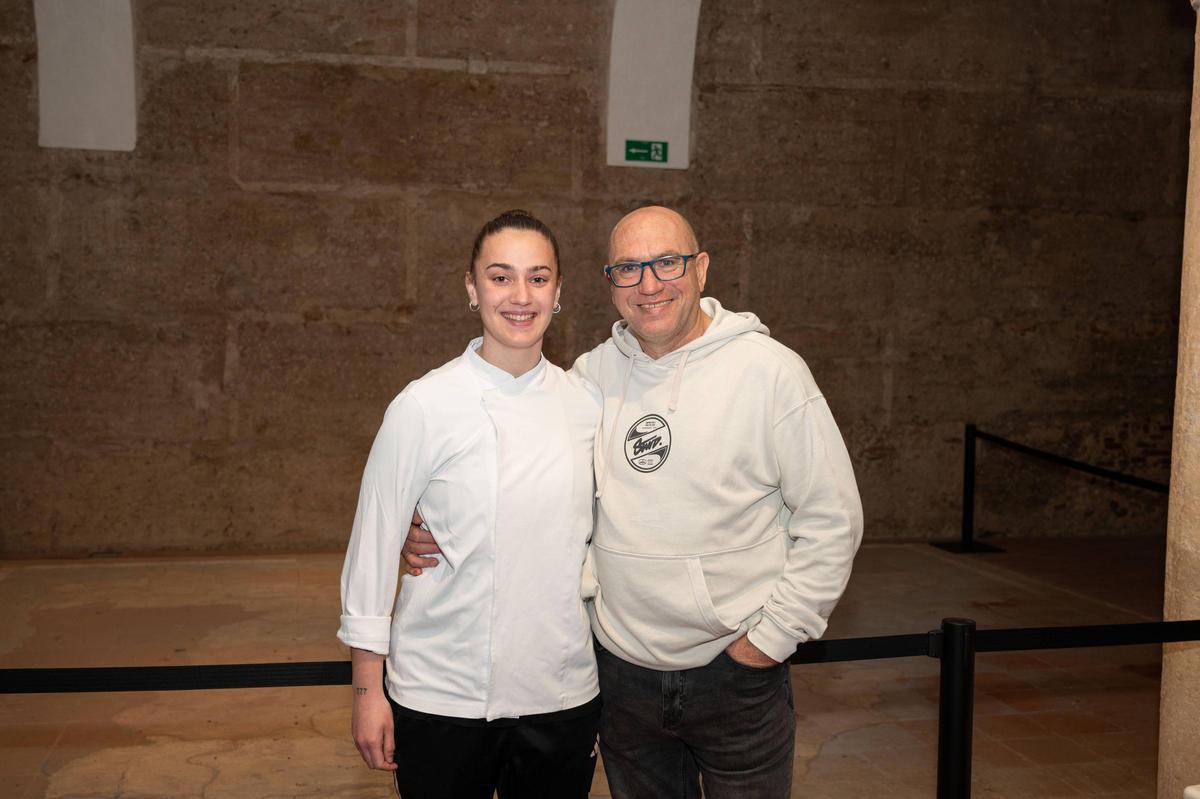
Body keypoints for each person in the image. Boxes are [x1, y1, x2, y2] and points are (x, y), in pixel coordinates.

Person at [404, 205, 864, 798]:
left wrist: (768, 643)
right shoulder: (590, 378)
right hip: (623, 681)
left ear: (701, 268)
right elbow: (528, 478)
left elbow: (832, 521)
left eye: (667, 263)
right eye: (628, 268)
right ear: (609, 282)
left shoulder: (771, 373)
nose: (649, 284)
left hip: (737, 678)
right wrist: (430, 522)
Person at [337, 209, 602, 799]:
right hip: (440, 696)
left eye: (538, 278)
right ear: (471, 287)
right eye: (500, 276)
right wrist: (367, 691)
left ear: (558, 291)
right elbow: (372, 549)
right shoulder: (423, 405)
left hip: (561, 695)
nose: (520, 296)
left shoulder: (587, 406)